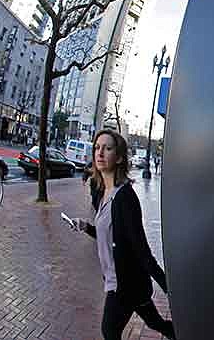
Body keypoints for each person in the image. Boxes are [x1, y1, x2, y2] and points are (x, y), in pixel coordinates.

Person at [72, 129, 176, 340]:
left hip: (125, 285)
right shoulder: (102, 192)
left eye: (107, 148)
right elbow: (113, 236)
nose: (100, 153)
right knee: (155, 322)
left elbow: (140, 248)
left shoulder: (125, 197)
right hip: (123, 282)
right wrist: (86, 227)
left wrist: (168, 288)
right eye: (97, 148)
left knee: (109, 331)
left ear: (118, 157)